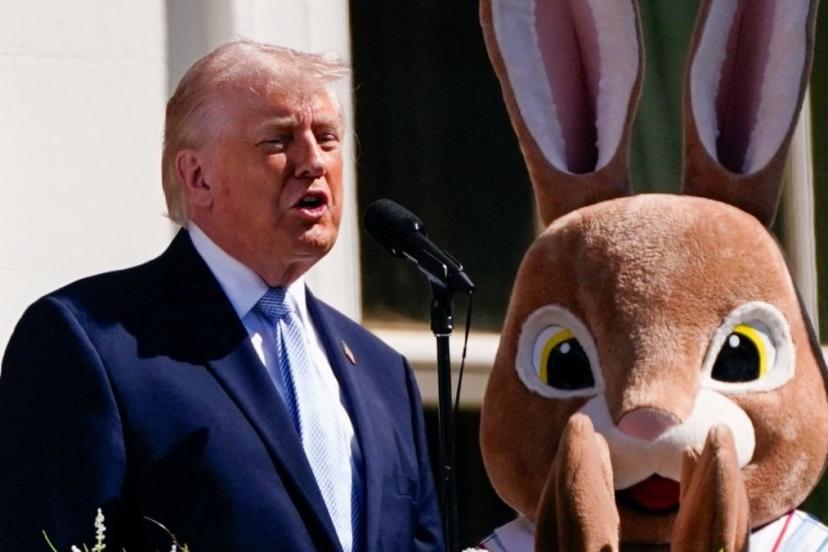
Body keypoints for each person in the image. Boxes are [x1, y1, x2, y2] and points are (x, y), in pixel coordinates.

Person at [0, 40, 442, 552]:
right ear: (198, 177)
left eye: (327, 138)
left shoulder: (383, 373)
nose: (313, 162)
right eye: (278, 140)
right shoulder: (90, 341)